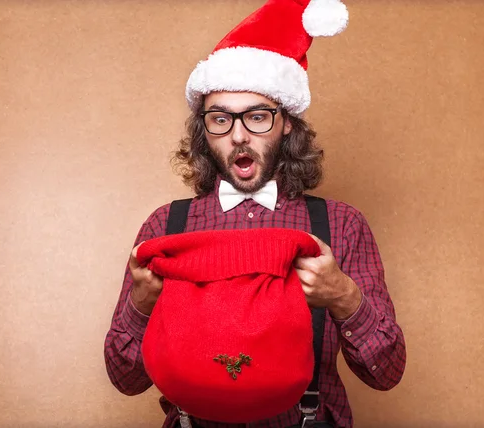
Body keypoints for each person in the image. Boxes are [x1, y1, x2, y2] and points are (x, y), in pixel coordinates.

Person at [104, 0, 406, 427]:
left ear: (287, 123)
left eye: (258, 116)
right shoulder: (166, 227)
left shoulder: (339, 225)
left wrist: (343, 296)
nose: (240, 135)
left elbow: (387, 373)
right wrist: (141, 303)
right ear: (203, 131)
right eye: (221, 119)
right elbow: (125, 380)